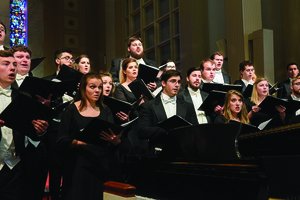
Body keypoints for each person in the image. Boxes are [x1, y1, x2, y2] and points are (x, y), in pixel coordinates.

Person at [57, 73, 122, 200]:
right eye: (92, 87)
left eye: (99, 87)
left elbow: (110, 137)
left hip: (101, 164)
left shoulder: (105, 110)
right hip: (78, 165)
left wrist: (115, 141)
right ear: (83, 88)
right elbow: (61, 140)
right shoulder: (71, 109)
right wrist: (79, 142)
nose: (97, 90)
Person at [0, 50, 48, 200]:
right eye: (6, 64)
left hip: (15, 166)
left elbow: (30, 130)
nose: (13, 68)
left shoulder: (23, 97)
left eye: (14, 64)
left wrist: (39, 130)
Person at [137, 70, 198, 153]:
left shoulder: (188, 106)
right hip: (159, 153)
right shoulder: (148, 106)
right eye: (173, 81)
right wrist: (167, 131)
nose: (177, 85)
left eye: (179, 82)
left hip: (183, 153)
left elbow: (196, 130)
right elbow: (142, 131)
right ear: (163, 83)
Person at [43, 48, 75, 200]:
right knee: (54, 169)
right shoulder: (47, 80)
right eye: (67, 58)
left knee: (71, 169)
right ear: (57, 61)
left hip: (72, 130)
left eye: (72, 59)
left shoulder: (77, 82)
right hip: (54, 129)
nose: (70, 61)